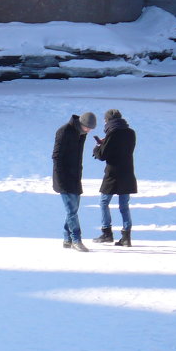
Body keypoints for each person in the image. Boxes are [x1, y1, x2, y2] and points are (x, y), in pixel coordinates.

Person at [92, 108, 138, 246]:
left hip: (113, 174)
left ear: (107, 120)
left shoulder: (112, 133)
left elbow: (102, 155)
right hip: (128, 173)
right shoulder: (131, 133)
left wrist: (97, 146)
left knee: (104, 202)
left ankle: (107, 233)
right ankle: (126, 236)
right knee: (124, 206)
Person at [52, 112, 96, 252]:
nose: (89, 130)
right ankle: (77, 239)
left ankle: (67, 239)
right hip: (63, 178)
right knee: (71, 210)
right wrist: (60, 178)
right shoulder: (64, 132)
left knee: (73, 209)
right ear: (81, 123)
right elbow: (57, 157)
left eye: (91, 128)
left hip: (75, 177)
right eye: (87, 127)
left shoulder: (81, 133)